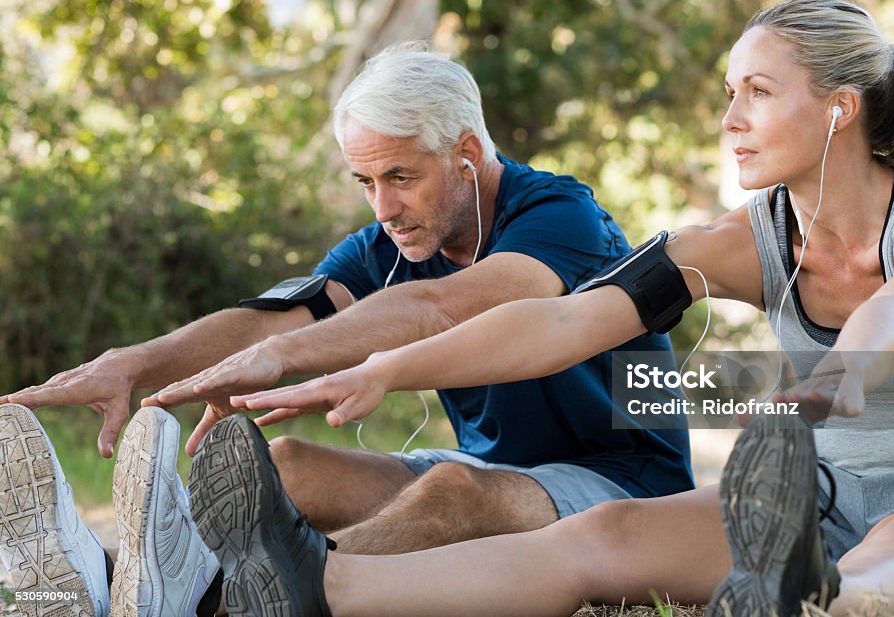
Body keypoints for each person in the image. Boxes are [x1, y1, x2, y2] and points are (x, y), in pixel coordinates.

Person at [189, 0, 894, 617]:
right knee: (605, 534)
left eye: (759, 93)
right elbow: (562, 322)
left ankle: (809, 600)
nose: (731, 119)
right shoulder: (738, 242)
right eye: (729, 93)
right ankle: (320, 586)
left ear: (839, 108)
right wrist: (379, 370)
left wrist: (827, 382)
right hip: (824, 488)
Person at [0, 43, 692, 615]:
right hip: (500, 473)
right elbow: (274, 317)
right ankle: (100, 577)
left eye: (400, 176)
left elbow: (445, 308)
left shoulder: (561, 215)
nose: (384, 206)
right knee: (287, 465)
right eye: (365, 181)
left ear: (467, 153)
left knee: (451, 492)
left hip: (624, 483)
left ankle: (246, 601)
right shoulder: (389, 244)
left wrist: (283, 355)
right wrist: (137, 364)